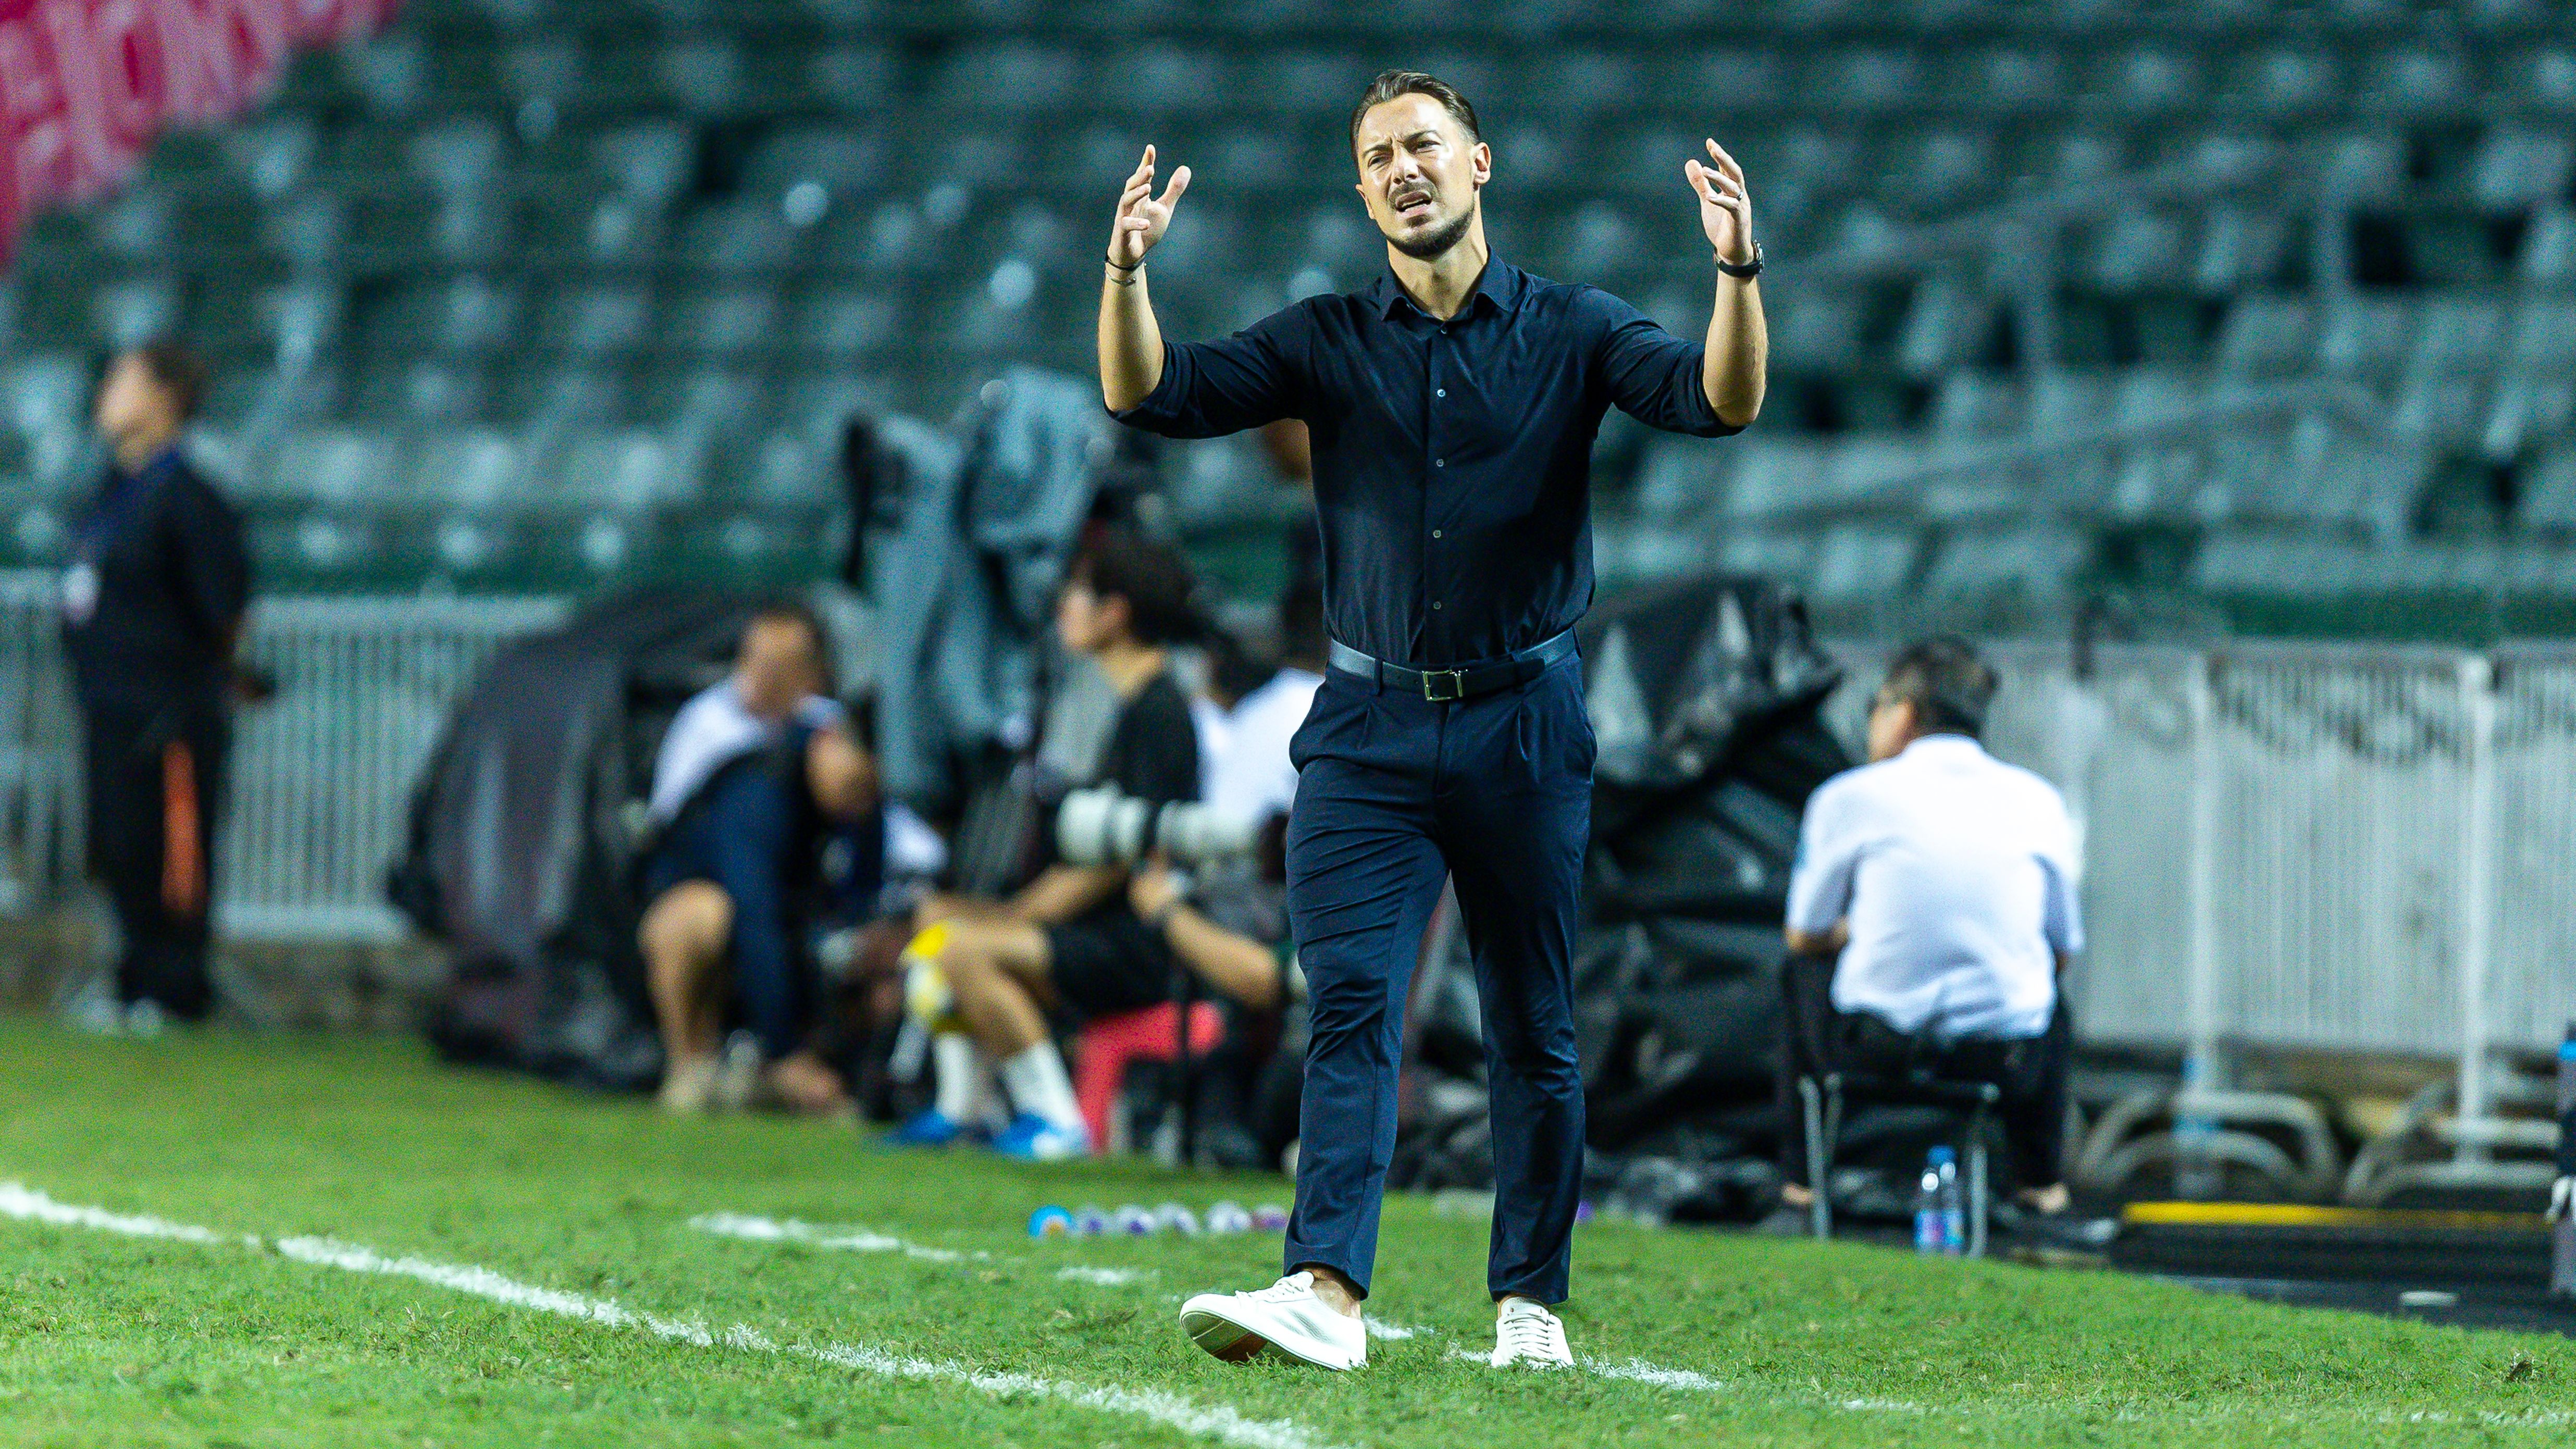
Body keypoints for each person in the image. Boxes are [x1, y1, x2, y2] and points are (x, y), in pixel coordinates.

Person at [1101, 69, 1764, 1371]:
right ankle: (1325, 1292)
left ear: (1480, 166)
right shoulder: (1322, 339)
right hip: (1365, 728)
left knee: (1532, 1020)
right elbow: (1151, 394)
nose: (1401, 168)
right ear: (1362, 194)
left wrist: (1738, 276)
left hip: (1525, 718)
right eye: (1376, 157)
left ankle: (1530, 1303)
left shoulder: (1573, 327)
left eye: (1422, 145)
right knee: (1348, 1001)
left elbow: (1719, 402)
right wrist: (1126, 278)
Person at [896, 529, 1203, 1160]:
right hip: (1094, 929)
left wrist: (1010, 918)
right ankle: (963, 1110)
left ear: (1114, 614)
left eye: (1076, 593)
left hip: (1136, 944)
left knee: (960, 950)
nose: (1063, 605)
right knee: (934, 924)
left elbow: (1122, 862)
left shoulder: (1160, 713)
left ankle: (1058, 1121)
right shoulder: (1124, 704)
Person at [1771, 638, 2082, 1230]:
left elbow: (1802, 935)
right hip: (2002, 1059)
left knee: (1799, 973)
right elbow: (2064, 950)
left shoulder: (1849, 796)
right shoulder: (2038, 799)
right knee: (2049, 994)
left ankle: (1800, 1193)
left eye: (1876, 706)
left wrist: (1851, 932)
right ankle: (2043, 1193)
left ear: (1905, 712)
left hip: (1872, 1048)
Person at [64, 341, 250, 1033]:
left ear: (163, 397)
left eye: (122, 380)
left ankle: (175, 991)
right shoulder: (111, 489)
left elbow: (223, 607)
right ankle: (132, 982)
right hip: (107, 705)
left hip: (169, 711)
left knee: (173, 852)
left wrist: (193, 684)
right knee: (120, 846)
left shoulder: (192, 498)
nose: (106, 392)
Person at [640, 603, 877, 1117]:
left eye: (785, 663)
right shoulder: (715, 731)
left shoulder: (826, 730)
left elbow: (864, 830)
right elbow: (743, 894)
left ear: (812, 673)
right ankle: (692, 1064)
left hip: (791, 897)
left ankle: (811, 1070)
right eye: (758, 659)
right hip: (710, 890)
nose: (767, 675)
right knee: (705, 916)